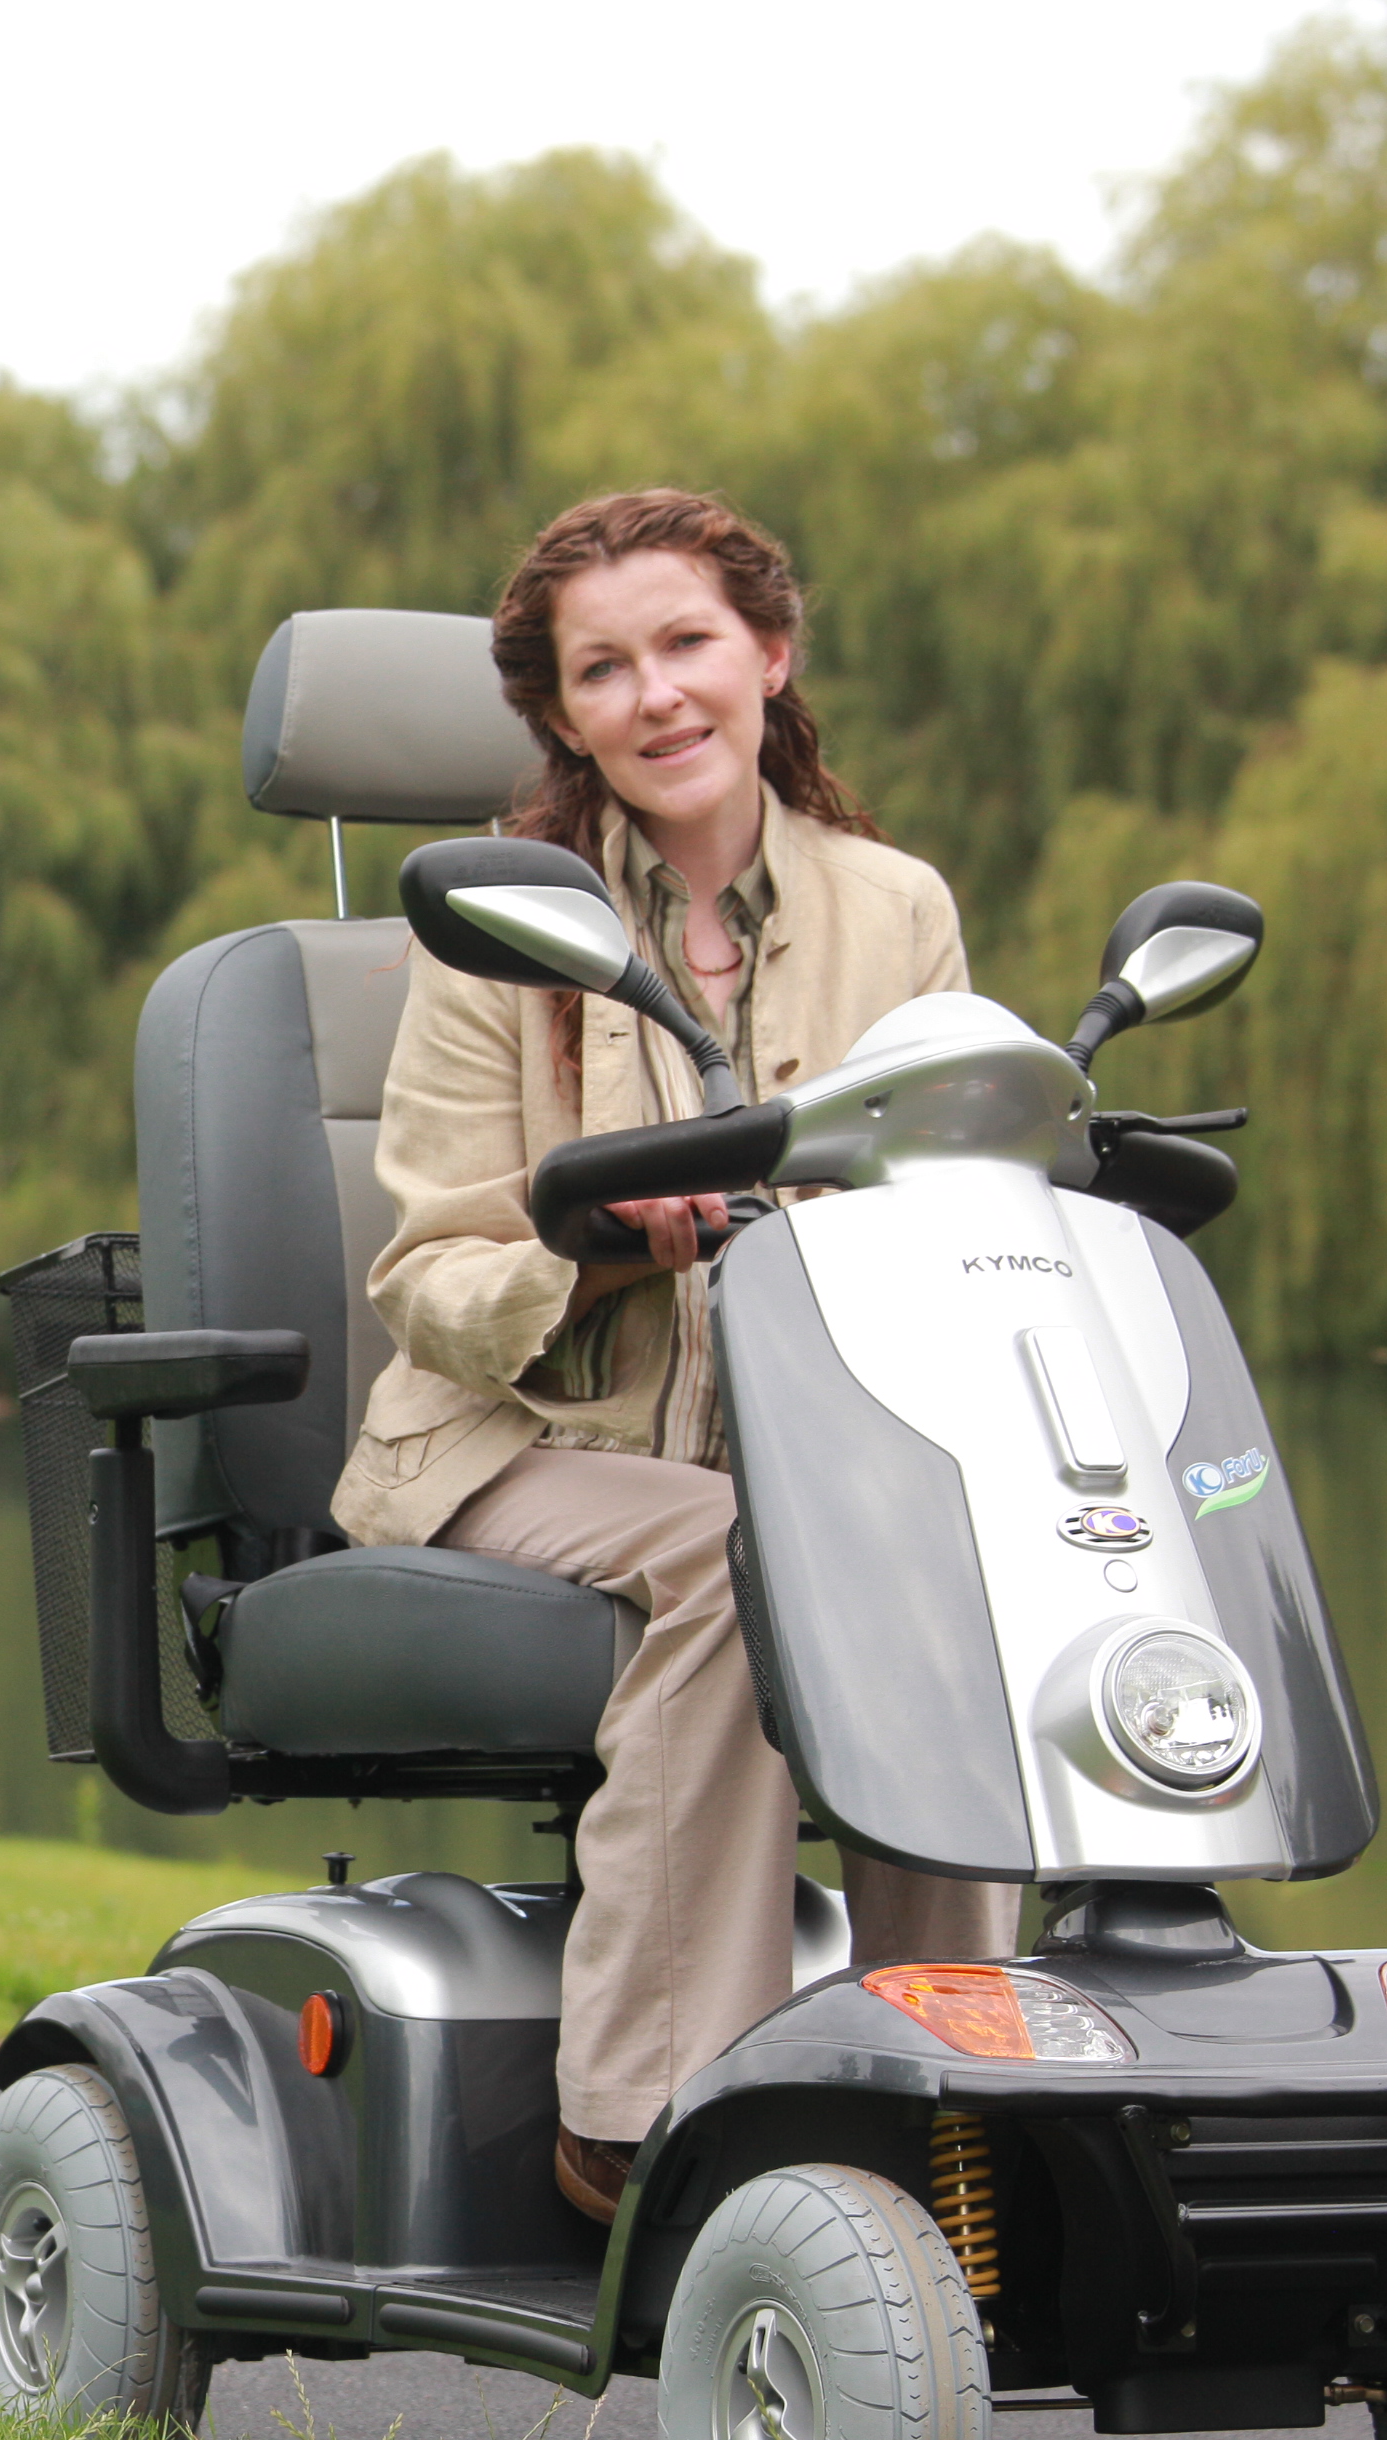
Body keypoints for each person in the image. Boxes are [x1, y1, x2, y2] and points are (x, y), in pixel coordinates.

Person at [330, 486, 1024, 2225]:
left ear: (770, 657)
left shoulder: (898, 909)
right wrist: (587, 1245)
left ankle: (950, 2094)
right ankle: (633, 2129)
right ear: (564, 715)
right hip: (504, 1449)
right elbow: (426, 1269)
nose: (657, 696)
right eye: (605, 669)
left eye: (690, 645)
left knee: (946, 1563)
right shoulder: (499, 928)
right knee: (740, 1559)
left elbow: (952, 1183)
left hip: (806, 1446)